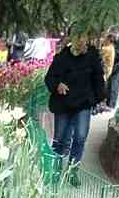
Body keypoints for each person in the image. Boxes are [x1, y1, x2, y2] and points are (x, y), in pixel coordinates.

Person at [44, 25, 105, 185]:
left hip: (83, 104)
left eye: (83, 36)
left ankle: (72, 172)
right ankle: (55, 171)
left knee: (80, 137)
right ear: (71, 38)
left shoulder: (92, 56)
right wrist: (58, 85)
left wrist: (99, 98)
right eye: (77, 36)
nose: (81, 40)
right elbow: (49, 78)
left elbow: (99, 79)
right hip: (63, 104)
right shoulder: (62, 57)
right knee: (60, 140)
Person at [100, 33, 116, 109]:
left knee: (102, 86)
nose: (103, 40)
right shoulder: (112, 47)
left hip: (105, 70)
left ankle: (101, 103)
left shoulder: (107, 49)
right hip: (108, 69)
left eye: (105, 38)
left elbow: (99, 55)